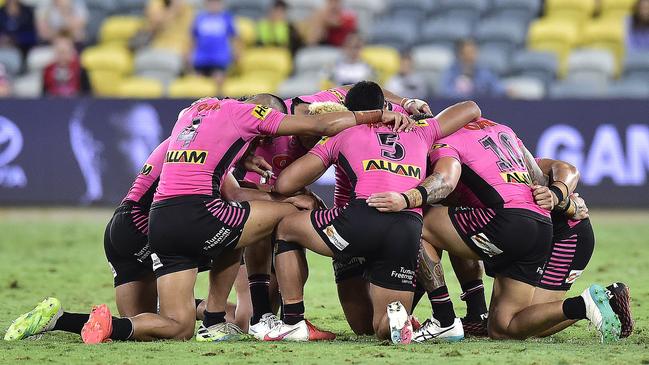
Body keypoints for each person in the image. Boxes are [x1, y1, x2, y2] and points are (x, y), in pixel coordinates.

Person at [38, 94, 411, 345]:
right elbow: (323, 127)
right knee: (288, 215)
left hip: (156, 222)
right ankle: (273, 318)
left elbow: (224, 180)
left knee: (176, 325)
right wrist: (379, 113)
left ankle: (77, 322)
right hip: (195, 215)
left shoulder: (189, 119)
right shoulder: (247, 112)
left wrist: (242, 160)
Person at [367, 118, 623, 343]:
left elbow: (566, 170)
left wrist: (560, 198)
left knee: (418, 223)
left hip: (564, 234)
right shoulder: (497, 140)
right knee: (504, 327)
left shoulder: (444, 145)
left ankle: (444, 319)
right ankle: (588, 304)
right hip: (535, 226)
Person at [266, 99, 481, 343]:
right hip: (405, 229)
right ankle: (399, 318)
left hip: (357, 223)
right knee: (379, 327)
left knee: (286, 227)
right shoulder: (420, 130)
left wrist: (309, 189)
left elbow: (284, 184)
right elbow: (471, 108)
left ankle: (293, 321)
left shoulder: (344, 132)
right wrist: (421, 118)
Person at [190, 0, 237, 96]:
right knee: (197, 85)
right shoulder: (200, 19)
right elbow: (193, 39)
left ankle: (219, 104)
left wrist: (235, 53)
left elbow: (234, 38)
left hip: (219, 59)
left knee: (219, 80)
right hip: (201, 59)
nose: (214, 5)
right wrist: (189, 56)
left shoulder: (226, 18)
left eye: (216, 3)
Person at [439, 39, 505, 98]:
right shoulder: (450, 73)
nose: (471, 57)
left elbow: (498, 90)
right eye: (467, 53)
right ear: (459, 54)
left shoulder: (484, 72)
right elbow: (445, 93)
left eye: (473, 52)